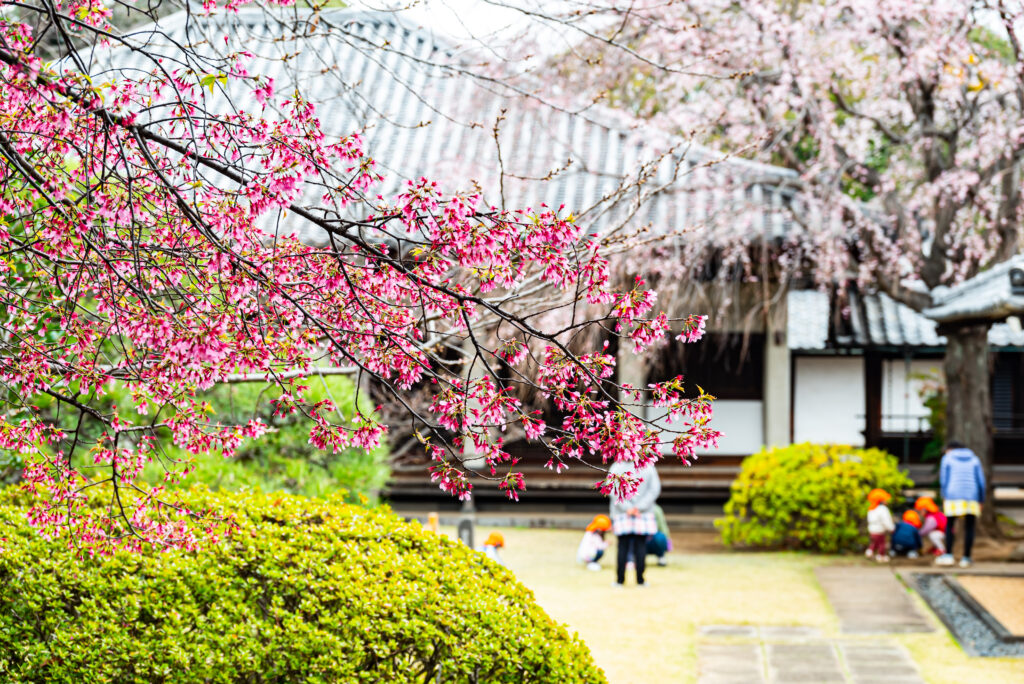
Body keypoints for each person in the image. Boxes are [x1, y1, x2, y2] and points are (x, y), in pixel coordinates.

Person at [609, 460, 661, 587]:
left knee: (622, 546)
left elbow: (612, 488)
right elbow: (654, 490)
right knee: (640, 545)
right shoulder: (648, 466)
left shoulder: (617, 466)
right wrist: (639, 507)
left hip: (622, 512)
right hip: (642, 513)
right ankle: (640, 580)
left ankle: (619, 580)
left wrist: (627, 508)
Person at [935, 441, 986, 568]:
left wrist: (944, 495)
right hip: (972, 495)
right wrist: (981, 499)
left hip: (952, 494)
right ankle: (966, 558)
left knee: (950, 525)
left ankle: (949, 555)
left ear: (950, 449)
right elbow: (981, 482)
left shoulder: (947, 458)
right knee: (970, 526)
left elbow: (944, 480)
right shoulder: (974, 459)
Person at [866, 488, 895, 562]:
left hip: (872, 529)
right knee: (881, 543)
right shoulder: (883, 509)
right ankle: (881, 556)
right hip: (880, 530)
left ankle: (869, 552)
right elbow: (886, 521)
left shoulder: (871, 509)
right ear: (881, 500)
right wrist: (891, 528)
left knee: (874, 542)